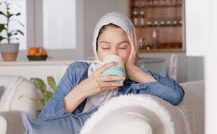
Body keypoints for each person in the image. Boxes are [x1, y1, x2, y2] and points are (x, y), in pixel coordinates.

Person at [38, 11, 185, 119]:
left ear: (133, 49)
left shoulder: (135, 84)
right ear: (96, 48)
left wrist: (133, 71)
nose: (114, 54)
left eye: (122, 47)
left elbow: (175, 95)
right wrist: (83, 89)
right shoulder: (77, 72)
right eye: (106, 48)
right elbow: (45, 119)